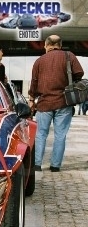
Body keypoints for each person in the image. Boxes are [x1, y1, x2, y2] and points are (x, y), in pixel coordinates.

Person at [28, 35, 84, 172]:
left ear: (46, 46)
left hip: (44, 103)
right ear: (60, 45)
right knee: (60, 135)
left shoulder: (39, 61)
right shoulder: (69, 56)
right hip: (64, 102)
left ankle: (37, 165)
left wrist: (31, 99)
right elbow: (79, 73)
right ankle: (55, 166)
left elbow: (34, 82)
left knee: (41, 134)